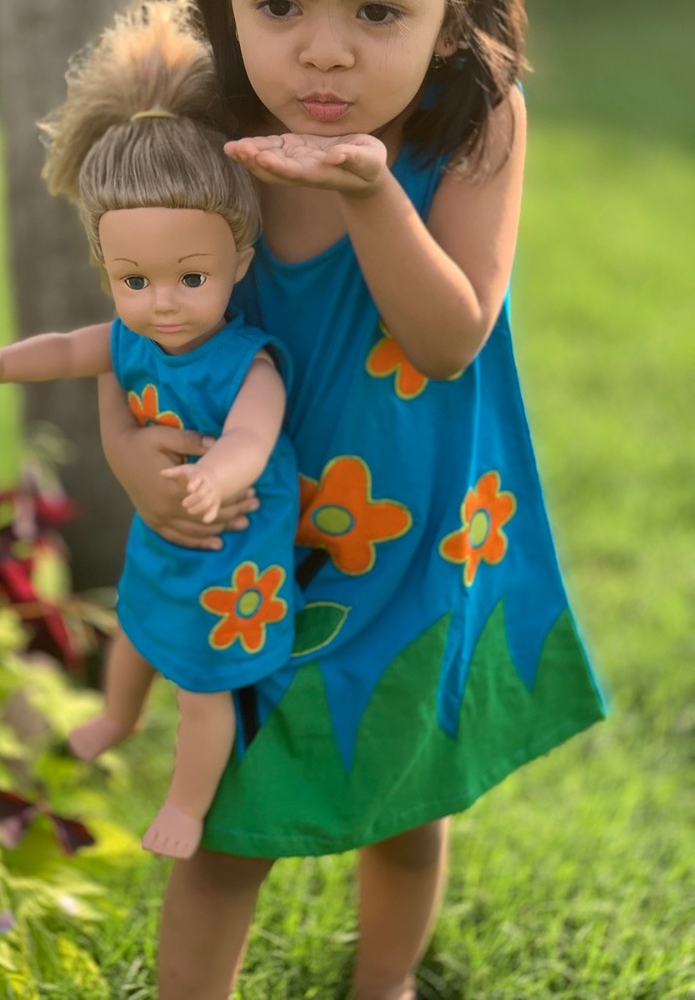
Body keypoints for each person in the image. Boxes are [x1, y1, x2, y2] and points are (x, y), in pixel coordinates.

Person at [96, 0, 608, 997]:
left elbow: (448, 339)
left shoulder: (475, 123)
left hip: (422, 538)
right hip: (260, 555)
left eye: (377, 11)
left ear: (452, 22)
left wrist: (372, 193)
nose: (323, 47)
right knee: (226, 833)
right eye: (280, 6)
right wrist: (124, 452)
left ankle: (384, 983)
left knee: (410, 801)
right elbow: (133, 320)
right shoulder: (199, 131)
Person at [0, 1, 300, 862]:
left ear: (239, 265)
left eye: (190, 277)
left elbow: (257, 434)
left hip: (233, 543)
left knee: (205, 687)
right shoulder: (129, 337)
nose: (162, 302)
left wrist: (222, 474)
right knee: (136, 625)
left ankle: (184, 801)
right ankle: (112, 715)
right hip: (168, 527)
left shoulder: (245, 360)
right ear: (107, 268)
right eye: (135, 280)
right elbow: (67, 348)